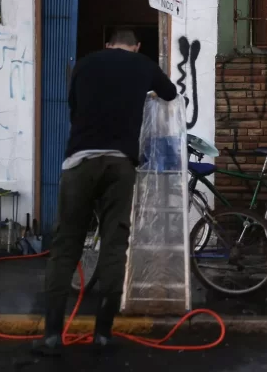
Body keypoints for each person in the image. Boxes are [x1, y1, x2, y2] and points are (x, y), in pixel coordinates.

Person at [32, 29, 177, 356]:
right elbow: (170, 93)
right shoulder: (143, 64)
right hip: (120, 164)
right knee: (115, 243)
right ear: (136, 46)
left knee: (66, 244)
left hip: (81, 161)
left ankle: (53, 336)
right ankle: (102, 335)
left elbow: (73, 106)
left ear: (107, 44)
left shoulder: (85, 64)